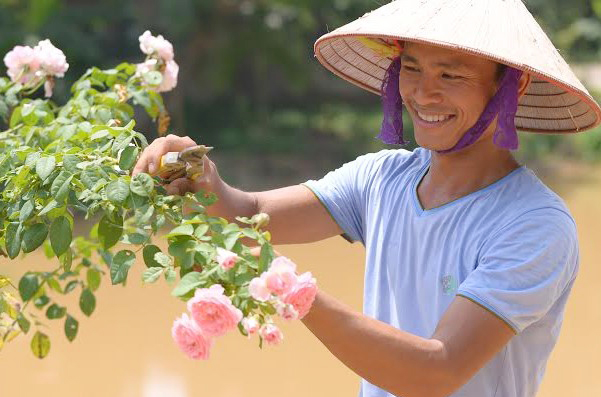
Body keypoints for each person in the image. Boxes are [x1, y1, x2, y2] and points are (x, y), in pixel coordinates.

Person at [133, 0, 601, 396]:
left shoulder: (535, 224)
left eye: (452, 75)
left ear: (510, 84)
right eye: (412, 68)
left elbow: (436, 371)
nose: (423, 92)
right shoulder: (382, 179)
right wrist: (199, 172)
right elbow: (249, 213)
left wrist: (292, 292)